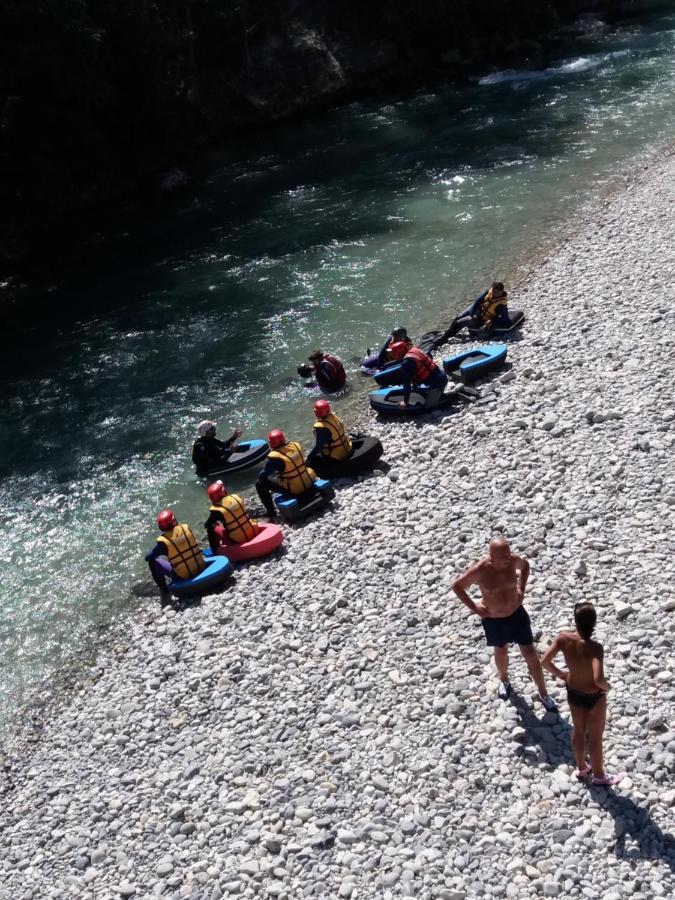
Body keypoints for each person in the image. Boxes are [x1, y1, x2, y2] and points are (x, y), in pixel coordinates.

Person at [452, 539, 557, 711]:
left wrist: (521, 589)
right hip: (494, 619)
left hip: (516, 614)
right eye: (503, 557)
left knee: (530, 653)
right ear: (491, 557)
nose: (508, 559)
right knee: (501, 651)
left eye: (508, 554)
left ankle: (544, 693)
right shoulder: (480, 570)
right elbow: (457, 586)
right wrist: (474, 607)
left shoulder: (513, 561)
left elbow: (525, 567)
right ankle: (504, 679)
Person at [541, 603, 625, 785]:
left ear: (576, 621)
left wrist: (562, 674)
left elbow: (545, 661)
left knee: (578, 731)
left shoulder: (564, 638)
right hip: (594, 697)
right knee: (595, 737)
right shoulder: (595, 648)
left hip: (574, 692)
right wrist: (607, 687)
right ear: (594, 624)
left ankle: (581, 768)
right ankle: (599, 776)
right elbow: (598, 679)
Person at [255, 429, 318, 520]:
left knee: (259, 483)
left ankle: (271, 512)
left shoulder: (273, 457)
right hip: (308, 480)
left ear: (271, 443)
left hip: (294, 490)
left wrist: (273, 471)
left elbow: (262, 476)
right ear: (283, 439)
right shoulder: (296, 445)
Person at [145, 509, 206, 598]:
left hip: (183, 576)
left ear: (161, 527)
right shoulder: (185, 528)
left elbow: (147, 557)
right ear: (174, 521)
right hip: (200, 566)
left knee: (152, 562)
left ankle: (164, 591)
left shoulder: (163, 542)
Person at [388, 341, 448, 409]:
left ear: (398, 353)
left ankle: (450, 398)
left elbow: (406, 385)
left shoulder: (406, 364)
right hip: (442, 376)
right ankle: (439, 396)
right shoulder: (415, 350)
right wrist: (415, 384)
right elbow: (428, 358)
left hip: (437, 384)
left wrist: (405, 402)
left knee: (428, 407)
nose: (392, 355)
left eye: (393, 353)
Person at [204, 480, 259, 553]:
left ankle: (215, 551)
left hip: (237, 540)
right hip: (253, 530)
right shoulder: (236, 497)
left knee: (211, 527)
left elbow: (206, 525)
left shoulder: (216, 510)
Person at [445, 282, 510, 337]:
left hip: (484, 318)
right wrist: (471, 314)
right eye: (493, 290)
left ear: (501, 292)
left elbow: (504, 318)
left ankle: (446, 336)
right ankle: (449, 331)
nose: (493, 293)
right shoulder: (489, 292)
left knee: (460, 322)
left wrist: (492, 321)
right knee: (458, 317)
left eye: (495, 292)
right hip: (479, 311)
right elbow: (477, 302)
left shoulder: (501, 304)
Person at [307, 399, 353, 465]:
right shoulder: (333, 417)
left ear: (316, 413)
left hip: (336, 456)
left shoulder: (321, 428)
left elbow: (318, 447)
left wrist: (309, 458)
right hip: (347, 448)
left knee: (312, 460)